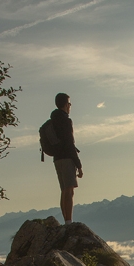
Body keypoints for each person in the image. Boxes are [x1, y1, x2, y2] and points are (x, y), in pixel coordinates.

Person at [50, 93, 83, 224]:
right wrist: (79, 165)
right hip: (67, 158)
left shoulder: (53, 120)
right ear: (65, 105)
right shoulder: (66, 121)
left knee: (64, 190)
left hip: (57, 159)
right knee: (69, 191)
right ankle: (69, 222)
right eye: (69, 104)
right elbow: (70, 143)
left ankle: (66, 220)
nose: (70, 106)